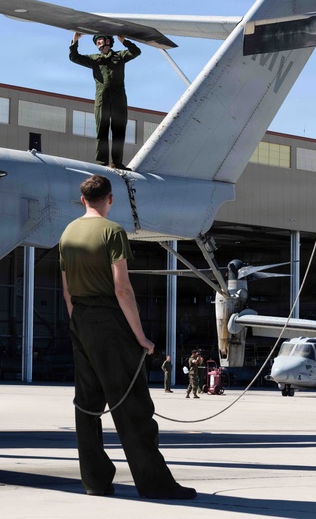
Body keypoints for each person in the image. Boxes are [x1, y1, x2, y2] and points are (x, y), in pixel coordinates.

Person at [60, 175, 196, 500]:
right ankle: (155, 483)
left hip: (80, 319)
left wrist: (78, 324)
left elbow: (67, 291)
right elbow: (122, 288)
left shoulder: (67, 234)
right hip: (110, 322)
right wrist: (141, 337)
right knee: (132, 405)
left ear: (82, 201)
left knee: (88, 405)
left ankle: (95, 480)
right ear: (110, 199)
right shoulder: (113, 232)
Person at [68, 33, 142, 169]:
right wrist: (75, 41)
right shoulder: (94, 59)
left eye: (102, 40)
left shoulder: (119, 56)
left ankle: (117, 163)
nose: (100, 43)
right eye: (98, 41)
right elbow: (74, 58)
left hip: (119, 99)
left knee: (119, 131)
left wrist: (124, 41)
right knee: (102, 131)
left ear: (109, 41)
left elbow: (136, 52)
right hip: (102, 99)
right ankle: (102, 163)